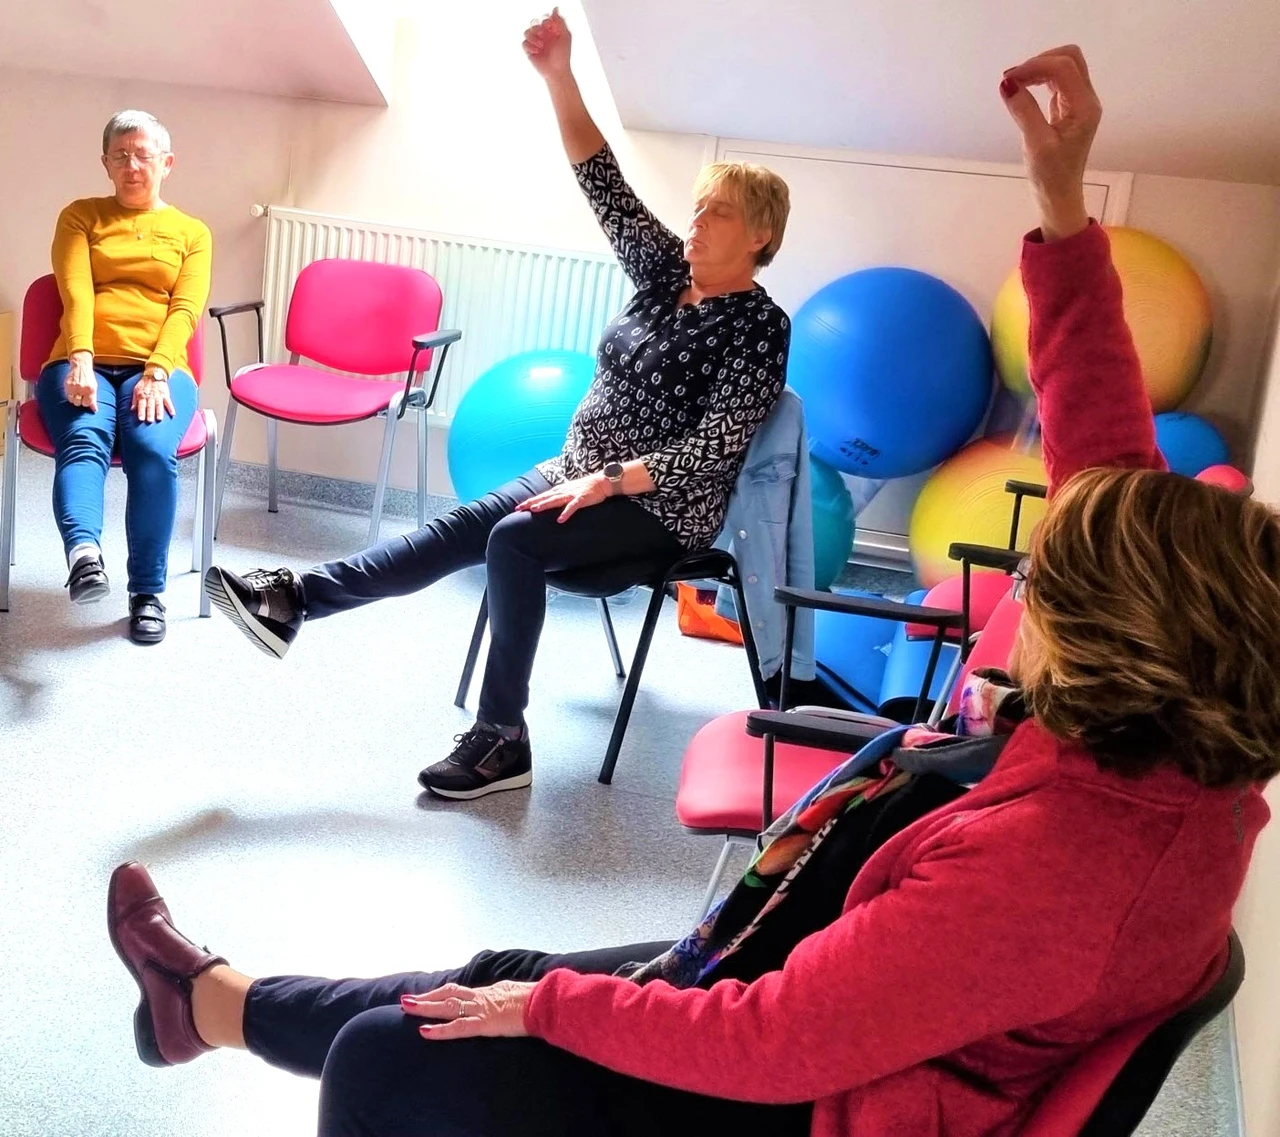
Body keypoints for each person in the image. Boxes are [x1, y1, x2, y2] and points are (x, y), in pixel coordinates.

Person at [107, 44, 1280, 1137]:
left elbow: (778, 1045)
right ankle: (205, 997)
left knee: (392, 1057)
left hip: (805, 1087)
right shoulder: (1166, 721)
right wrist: (1064, 201)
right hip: (811, 945)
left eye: (1041, 591)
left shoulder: (1058, 875)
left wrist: (560, 1012)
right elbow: (1103, 444)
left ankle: (409, 804)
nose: (1020, 596)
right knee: (487, 977)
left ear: (1105, 654)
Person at [203, 9, 793, 800]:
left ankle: (501, 739)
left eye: (717, 212)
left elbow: (720, 443)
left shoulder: (760, 324)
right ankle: (295, 601)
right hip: (578, 471)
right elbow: (603, 180)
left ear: (760, 234)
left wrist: (613, 480)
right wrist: (560, 76)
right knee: (458, 529)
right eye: (697, 206)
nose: (696, 221)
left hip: (660, 511)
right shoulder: (662, 274)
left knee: (512, 543)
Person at [39, 110, 211, 645]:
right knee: (84, 441)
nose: (132, 165)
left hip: (160, 367)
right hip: (79, 357)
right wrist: (81, 358)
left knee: (151, 449)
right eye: (121, 155)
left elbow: (185, 308)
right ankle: (85, 557)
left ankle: (146, 593)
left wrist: (158, 370)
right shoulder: (80, 216)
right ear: (106, 164)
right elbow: (75, 290)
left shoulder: (191, 232)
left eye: (143, 154)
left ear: (167, 163)